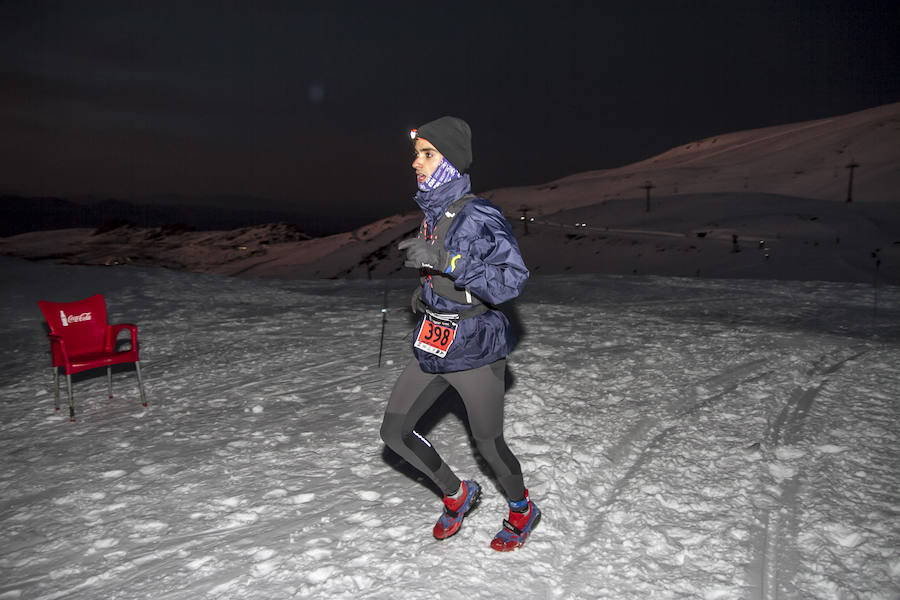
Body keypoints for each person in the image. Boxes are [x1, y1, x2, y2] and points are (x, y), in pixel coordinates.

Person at [380, 116, 540, 551]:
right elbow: (440, 270)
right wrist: (426, 292)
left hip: (475, 348)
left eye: (427, 155)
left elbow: (511, 280)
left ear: (450, 161)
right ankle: (457, 493)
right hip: (434, 339)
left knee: (489, 445)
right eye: (416, 154)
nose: (416, 163)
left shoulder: (479, 213)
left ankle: (523, 509)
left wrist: (447, 263)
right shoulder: (433, 211)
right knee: (394, 433)